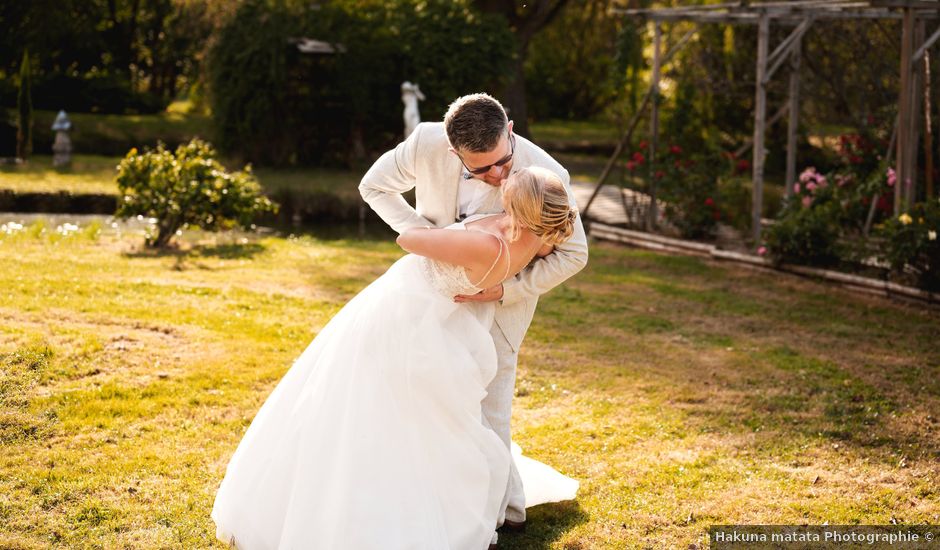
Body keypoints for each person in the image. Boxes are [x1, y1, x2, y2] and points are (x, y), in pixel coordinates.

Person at [212, 168, 580, 549]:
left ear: (521, 212)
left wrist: (443, 230)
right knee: (409, 419)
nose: (503, 182)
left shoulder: (489, 245)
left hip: (408, 318)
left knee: (366, 406)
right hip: (439, 321)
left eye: (510, 188)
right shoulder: (537, 242)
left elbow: (409, 239)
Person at [359, 93, 589, 540]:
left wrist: (507, 289)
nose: (498, 175)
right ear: (452, 151)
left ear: (509, 130)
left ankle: (507, 508)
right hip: (429, 298)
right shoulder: (425, 141)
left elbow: (574, 254)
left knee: (491, 409)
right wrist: (434, 240)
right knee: (427, 399)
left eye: (502, 161)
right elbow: (374, 186)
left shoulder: (546, 173)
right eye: (480, 169)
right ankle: (436, 493)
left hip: (501, 309)